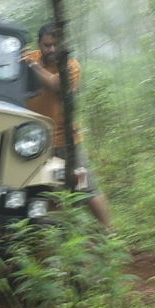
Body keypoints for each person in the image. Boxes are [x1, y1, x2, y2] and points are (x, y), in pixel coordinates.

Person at [22, 23, 113, 230]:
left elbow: (57, 85)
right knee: (37, 190)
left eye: (55, 45)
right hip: (33, 142)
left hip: (66, 142)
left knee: (85, 187)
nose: (51, 50)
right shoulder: (30, 58)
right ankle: (39, 238)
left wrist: (33, 67)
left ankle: (110, 233)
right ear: (39, 44)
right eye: (47, 45)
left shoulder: (70, 66)